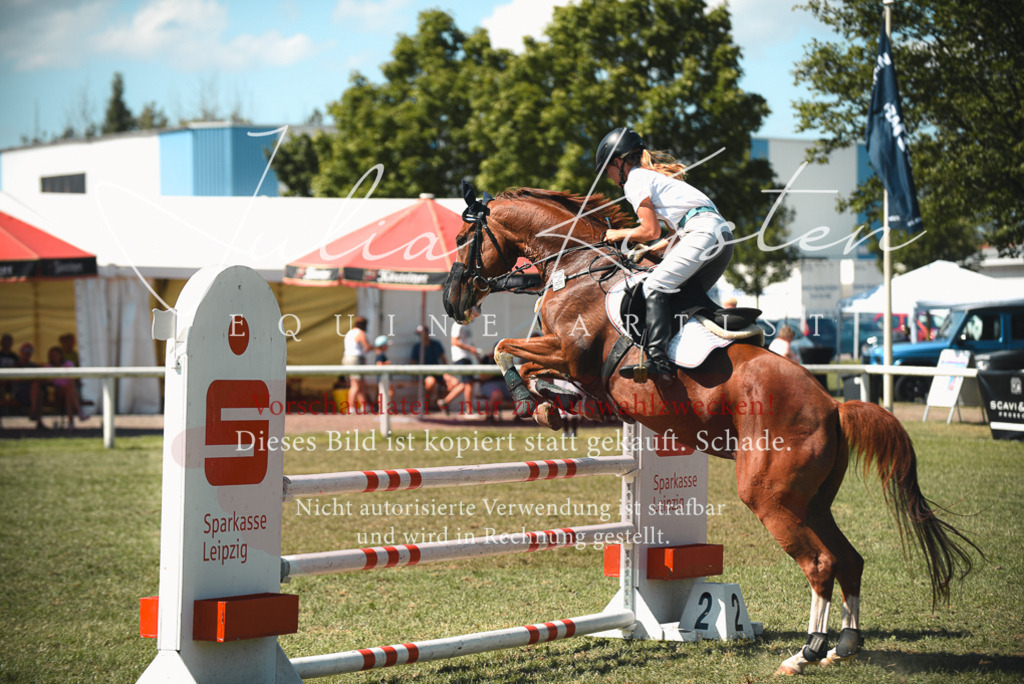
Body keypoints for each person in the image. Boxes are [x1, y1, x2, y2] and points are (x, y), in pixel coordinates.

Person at [596, 126, 734, 385]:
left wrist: (618, 234)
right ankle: (693, 353)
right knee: (681, 296)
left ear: (618, 162)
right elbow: (673, 237)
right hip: (721, 237)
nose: (610, 177)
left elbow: (650, 231)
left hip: (703, 232)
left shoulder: (635, 179)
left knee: (654, 286)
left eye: (608, 170)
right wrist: (650, 250)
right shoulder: (654, 179)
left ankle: (658, 362)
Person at [442, 310, 484, 416]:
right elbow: (454, 341)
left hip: (466, 357)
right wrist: (470, 349)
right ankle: (469, 411)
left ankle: (445, 402)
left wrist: (475, 353)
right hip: (460, 357)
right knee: (468, 383)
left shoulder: (467, 326)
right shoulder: (458, 324)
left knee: (467, 383)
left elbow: (468, 343)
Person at [410, 325, 449, 412]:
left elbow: (443, 359)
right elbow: (412, 362)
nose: (420, 336)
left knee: (454, 383)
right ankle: (428, 405)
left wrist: (446, 372)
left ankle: (439, 401)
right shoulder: (417, 347)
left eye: (422, 334)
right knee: (431, 382)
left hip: (438, 373)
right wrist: (414, 376)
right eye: (419, 334)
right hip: (425, 374)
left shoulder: (436, 344)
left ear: (427, 333)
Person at [46, 346, 84, 429]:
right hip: (58, 392)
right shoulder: (48, 366)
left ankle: (71, 423)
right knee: (70, 389)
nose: (54, 357)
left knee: (69, 395)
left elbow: (73, 378)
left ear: (61, 355)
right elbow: (46, 381)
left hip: (70, 392)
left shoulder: (68, 364)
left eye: (56, 355)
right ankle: (79, 412)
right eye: (52, 355)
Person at [342, 316, 372, 411]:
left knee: (361, 384)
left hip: (347, 359)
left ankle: (364, 406)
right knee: (355, 385)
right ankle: (351, 407)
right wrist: (376, 348)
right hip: (356, 360)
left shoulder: (349, 333)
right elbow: (367, 346)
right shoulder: (360, 333)